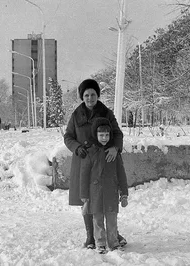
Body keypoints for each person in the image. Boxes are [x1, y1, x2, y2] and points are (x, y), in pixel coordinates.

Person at [63, 78, 128, 249]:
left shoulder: (106, 112)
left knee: (107, 198)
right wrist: (77, 148)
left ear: (97, 95)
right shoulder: (76, 115)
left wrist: (115, 148)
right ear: (82, 97)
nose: (90, 98)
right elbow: (68, 137)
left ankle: (113, 234)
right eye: (86, 95)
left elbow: (117, 134)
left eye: (93, 94)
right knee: (87, 200)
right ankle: (90, 237)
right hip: (84, 160)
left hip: (104, 161)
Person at [80, 117, 128, 254]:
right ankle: (100, 243)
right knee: (98, 220)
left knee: (112, 220)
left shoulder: (114, 153)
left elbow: (121, 174)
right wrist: (84, 195)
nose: (104, 138)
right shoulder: (89, 153)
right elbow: (84, 175)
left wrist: (124, 193)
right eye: (101, 135)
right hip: (95, 194)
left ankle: (113, 243)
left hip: (111, 193)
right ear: (95, 135)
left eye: (107, 135)